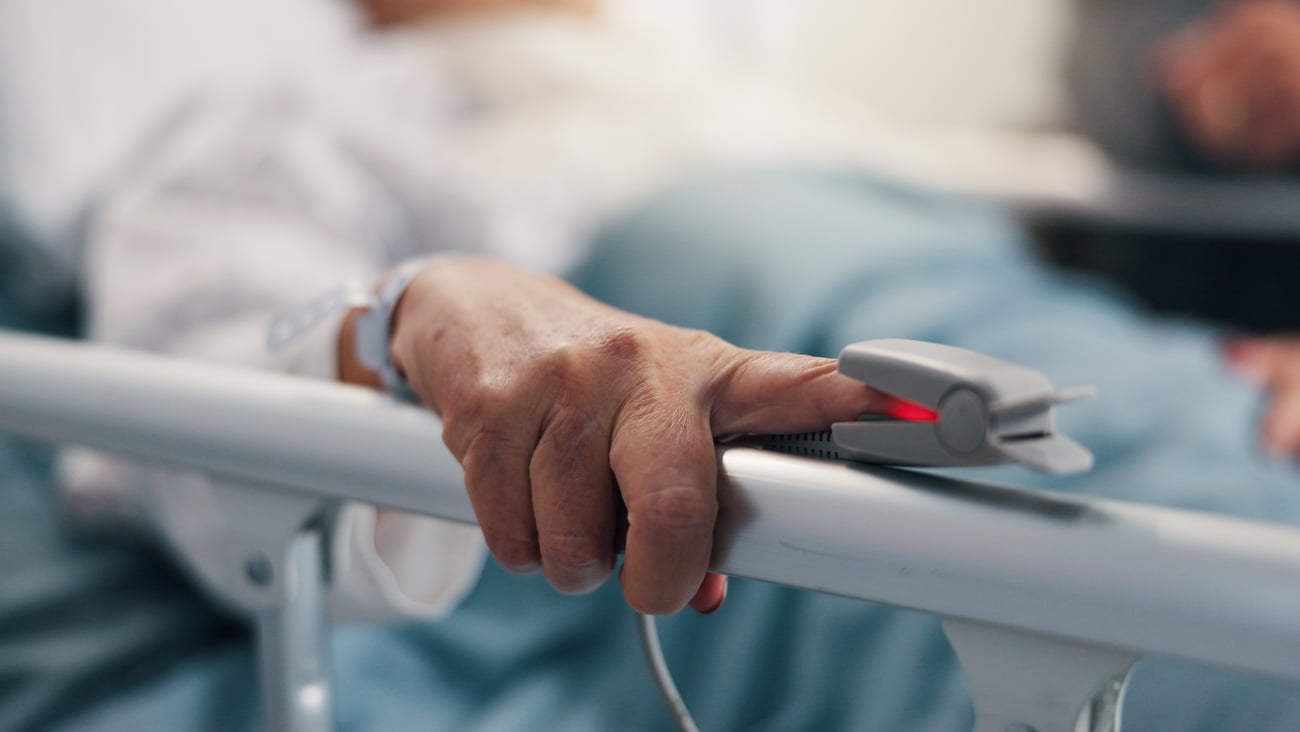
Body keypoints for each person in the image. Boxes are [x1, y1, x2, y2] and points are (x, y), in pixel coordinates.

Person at [9, 0, 1300, 730]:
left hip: (1196, 409)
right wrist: (424, 314)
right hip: (955, 556)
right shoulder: (299, 128)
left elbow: (1048, 315)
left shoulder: (796, 124)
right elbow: (197, 412)